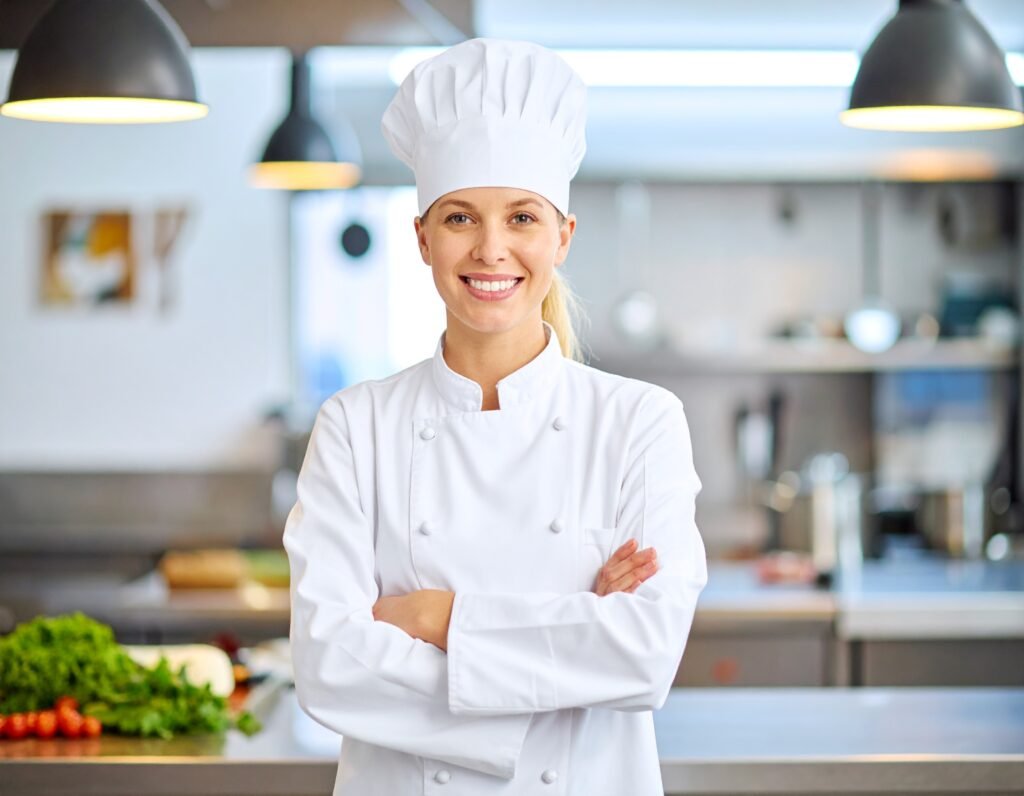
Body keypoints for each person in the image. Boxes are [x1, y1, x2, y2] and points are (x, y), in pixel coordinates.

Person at [282, 37, 708, 796]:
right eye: (458, 219)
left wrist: (432, 616)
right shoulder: (355, 427)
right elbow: (328, 666)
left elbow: (644, 655)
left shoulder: (641, 422)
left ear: (562, 238)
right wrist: (571, 644)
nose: (491, 250)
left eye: (521, 217)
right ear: (421, 237)